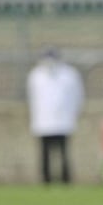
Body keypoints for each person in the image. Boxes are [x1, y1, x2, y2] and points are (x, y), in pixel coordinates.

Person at [26, 46, 84, 184]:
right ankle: (46, 180)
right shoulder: (35, 75)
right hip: (43, 121)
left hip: (64, 120)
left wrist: (73, 114)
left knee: (63, 152)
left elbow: (78, 96)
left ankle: (66, 179)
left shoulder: (69, 74)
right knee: (44, 153)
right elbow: (33, 99)